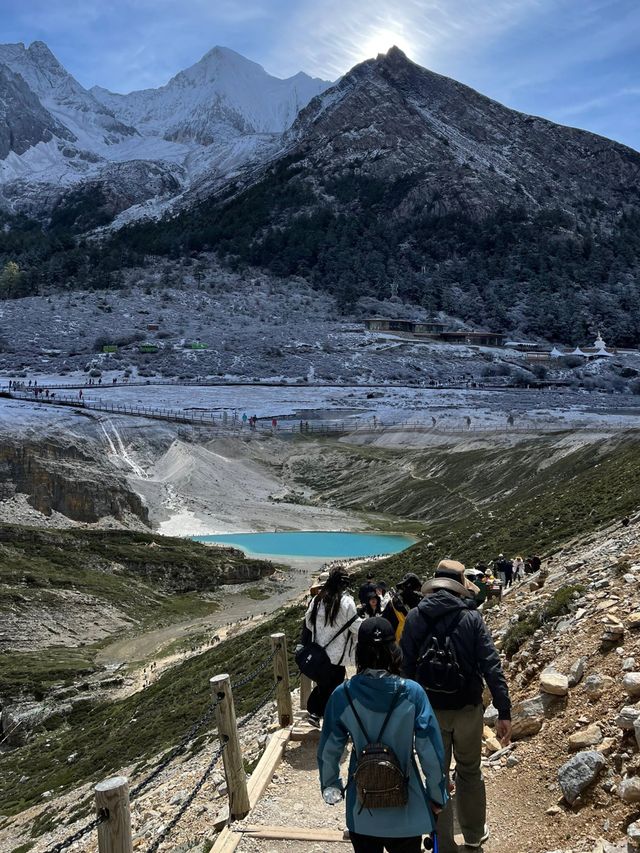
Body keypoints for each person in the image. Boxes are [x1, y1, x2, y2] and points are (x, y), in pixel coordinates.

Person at [401, 560, 511, 853]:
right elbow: (491, 665)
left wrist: (406, 711)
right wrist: (504, 711)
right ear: (459, 586)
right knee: (470, 771)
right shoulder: (472, 618)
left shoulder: (414, 617)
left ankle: (443, 844)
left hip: (429, 711)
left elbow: (405, 668)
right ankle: (473, 835)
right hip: (467, 709)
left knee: (436, 776)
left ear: (435, 583)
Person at [318, 617, 448, 853]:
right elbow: (429, 749)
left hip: (362, 808)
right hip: (406, 808)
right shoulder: (412, 693)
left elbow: (330, 748)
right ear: (393, 651)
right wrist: (437, 796)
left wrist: (331, 786)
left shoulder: (342, 695)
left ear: (359, 653)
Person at [304, 568, 362, 726]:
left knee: (324, 684)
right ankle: (327, 718)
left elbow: (308, 622)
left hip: (318, 653)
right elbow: (356, 627)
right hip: (336, 656)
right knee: (334, 687)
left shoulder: (318, 599)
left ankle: (316, 714)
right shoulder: (346, 602)